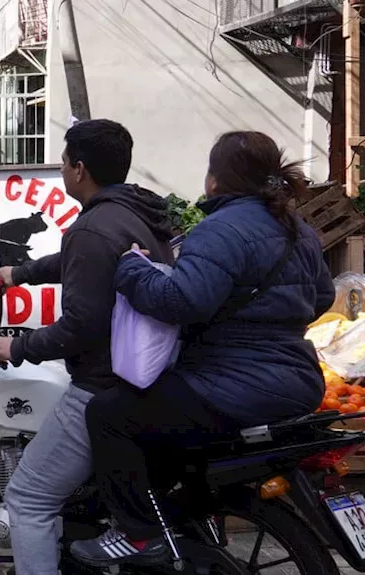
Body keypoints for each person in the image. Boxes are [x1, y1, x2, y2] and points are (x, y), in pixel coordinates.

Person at [69, 131, 335, 566]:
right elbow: (321, 298)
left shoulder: (220, 230)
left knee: (109, 414)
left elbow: (179, 302)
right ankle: (185, 524)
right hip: (300, 380)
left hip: (232, 385)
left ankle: (138, 535)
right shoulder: (297, 228)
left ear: (215, 180)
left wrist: (132, 270)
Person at [0, 119, 175, 575]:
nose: (64, 169)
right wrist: (18, 273)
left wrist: (18, 346)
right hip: (143, 377)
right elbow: (79, 260)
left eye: (66, 161)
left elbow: (81, 325)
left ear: (80, 169)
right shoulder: (133, 214)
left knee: (27, 496)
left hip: (101, 383)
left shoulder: (92, 228)